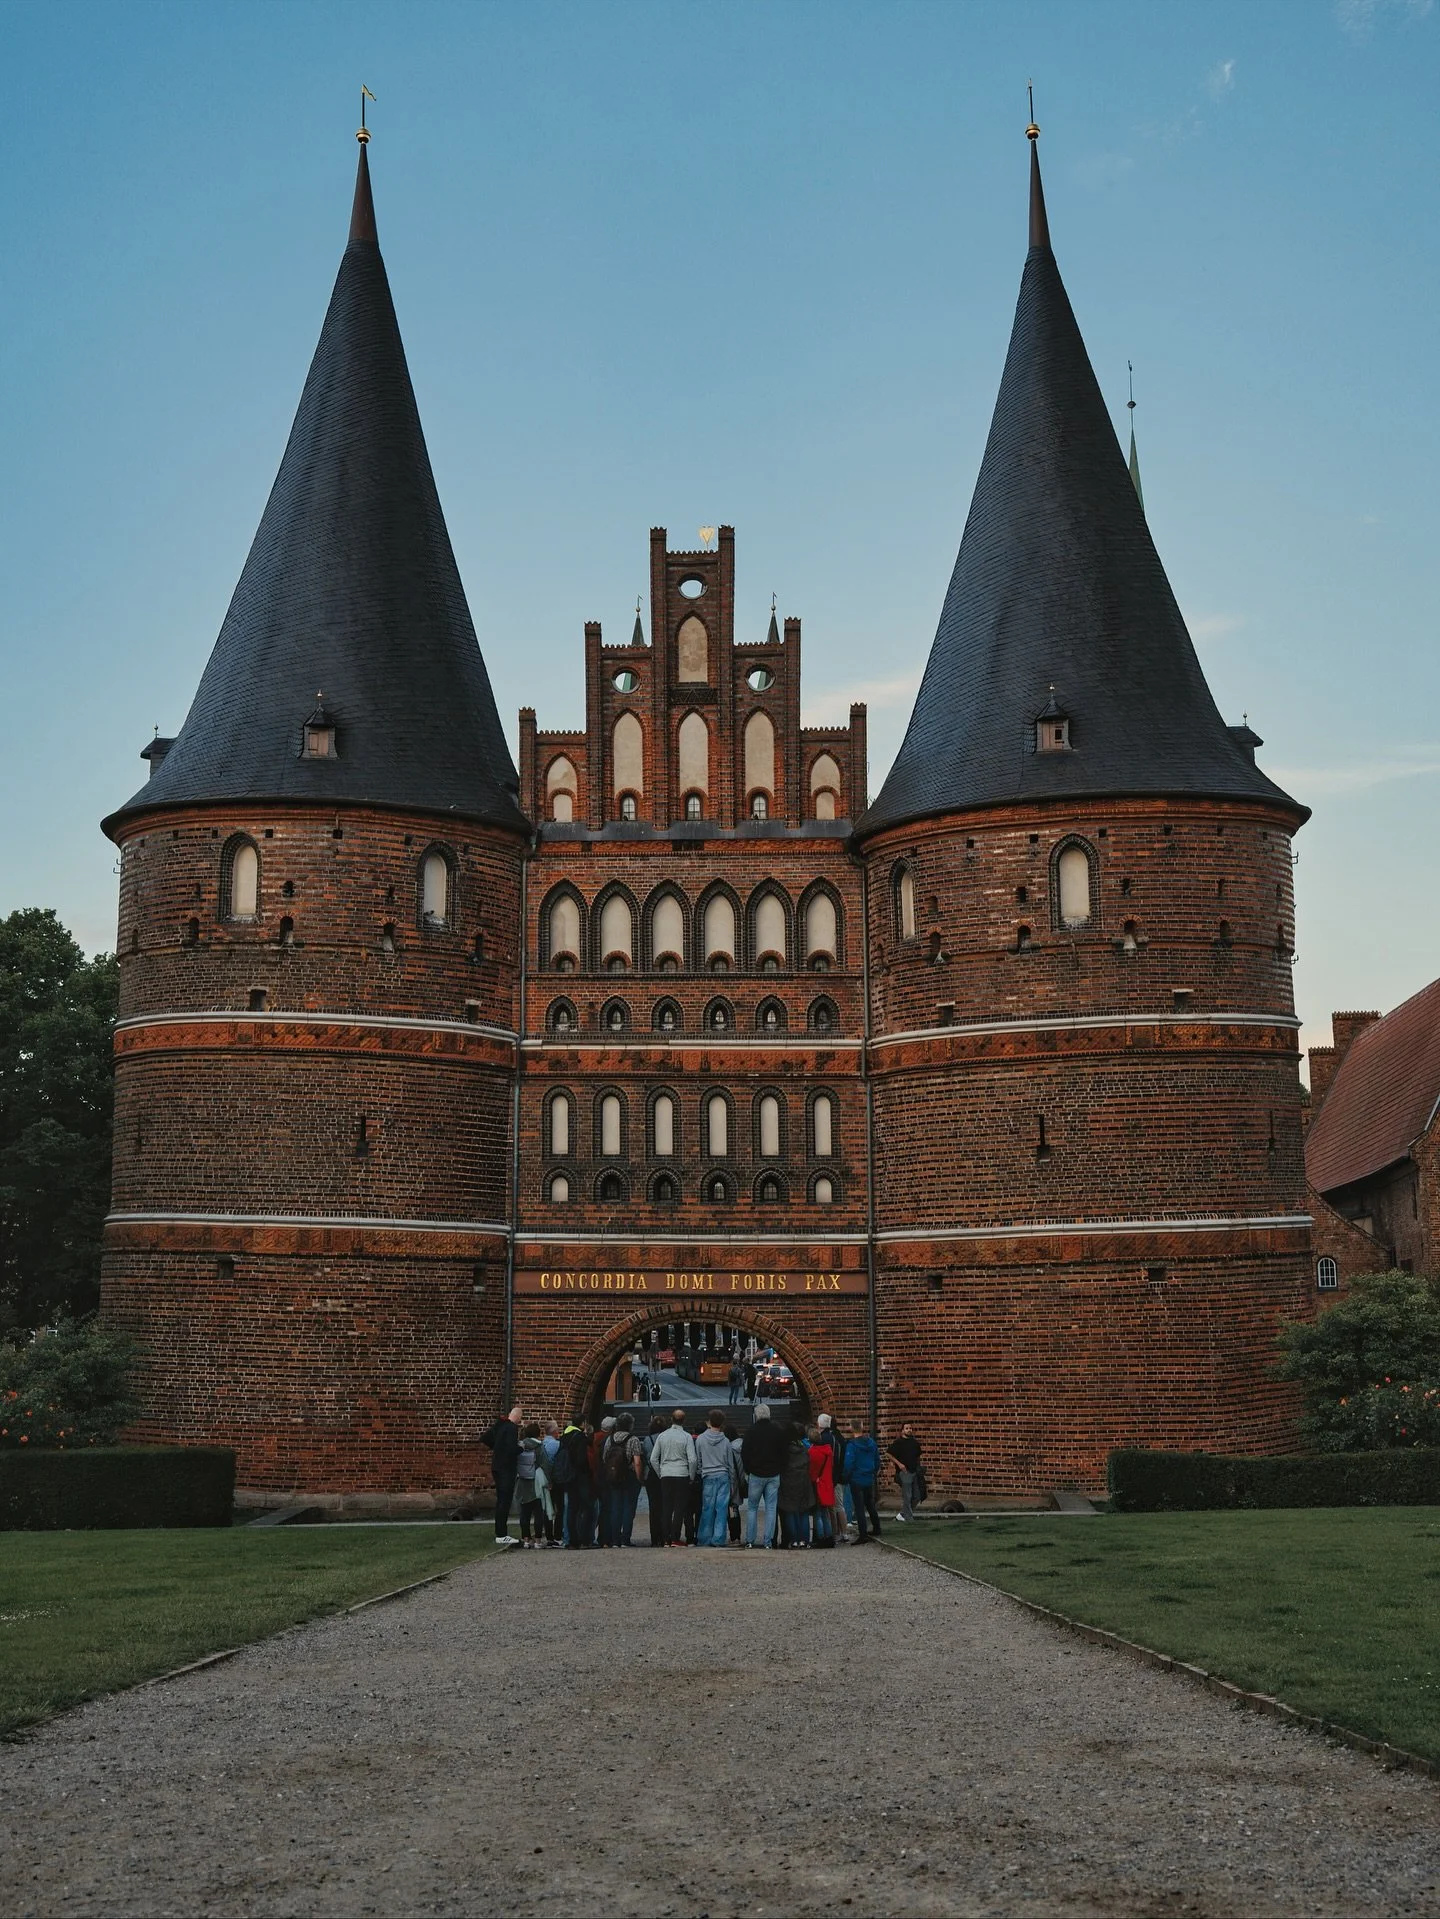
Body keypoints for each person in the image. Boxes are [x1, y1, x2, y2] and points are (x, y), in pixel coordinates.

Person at [648, 1406, 697, 1545]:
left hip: (666, 1474)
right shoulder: (686, 1436)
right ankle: (675, 1537)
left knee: (667, 1507)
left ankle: (665, 1538)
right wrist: (691, 1476)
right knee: (679, 1507)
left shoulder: (662, 1436)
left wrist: (660, 1472)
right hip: (681, 1473)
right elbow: (692, 1459)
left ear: (671, 1419)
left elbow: (653, 1458)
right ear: (684, 1420)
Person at [740, 1403, 788, 1546]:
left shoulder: (751, 1431)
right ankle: (768, 1541)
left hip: (756, 1473)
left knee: (752, 1508)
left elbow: (745, 1453)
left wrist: (748, 1469)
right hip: (773, 1473)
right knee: (771, 1508)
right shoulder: (778, 1431)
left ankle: (750, 1540)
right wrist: (780, 1468)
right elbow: (783, 1453)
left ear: (756, 1415)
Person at [480, 1404, 523, 1546]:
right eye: (520, 1419)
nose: (520, 1422)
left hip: (497, 1466)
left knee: (501, 1500)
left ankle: (500, 1532)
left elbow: (485, 1438)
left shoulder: (500, 1424)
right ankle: (501, 1534)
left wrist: (497, 1447)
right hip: (506, 1469)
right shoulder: (511, 1428)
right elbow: (512, 1448)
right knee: (505, 1500)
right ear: (516, 1417)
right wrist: (520, 1448)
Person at [602, 1413, 645, 1546]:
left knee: (615, 1507)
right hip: (629, 1476)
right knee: (628, 1508)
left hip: (614, 1477)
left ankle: (615, 1540)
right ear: (630, 1425)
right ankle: (625, 1539)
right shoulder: (633, 1440)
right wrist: (639, 1478)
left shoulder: (610, 1439)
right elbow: (637, 1461)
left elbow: (605, 1458)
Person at [695, 1409, 735, 1546]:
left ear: (709, 1421)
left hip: (708, 1475)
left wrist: (701, 1471)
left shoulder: (700, 1439)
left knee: (707, 1508)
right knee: (721, 1509)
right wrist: (732, 1481)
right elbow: (730, 1464)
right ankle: (718, 1538)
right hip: (723, 1475)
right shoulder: (726, 1441)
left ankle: (704, 1538)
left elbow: (698, 1460)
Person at [560, 1419, 596, 1548]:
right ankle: (584, 1539)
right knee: (586, 1507)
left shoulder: (564, 1437)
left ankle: (572, 1540)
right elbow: (581, 1459)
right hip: (580, 1477)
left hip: (569, 1476)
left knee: (571, 1508)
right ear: (582, 1424)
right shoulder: (580, 1437)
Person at [778, 1424, 815, 1547]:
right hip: (803, 1481)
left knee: (790, 1511)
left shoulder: (785, 1450)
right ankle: (804, 1539)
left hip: (788, 1481)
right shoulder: (804, 1448)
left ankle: (793, 1540)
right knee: (803, 1511)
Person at [844, 1428, 882, 1541]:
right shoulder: (871, 1443)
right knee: (870, 1504)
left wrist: (847, 1476)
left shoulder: (852, 1445)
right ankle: (877, 1527)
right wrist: (873, 1472)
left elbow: (848, 1463)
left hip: (856, 1478)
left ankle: (863, 1533)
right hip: (868, 1478)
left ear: (852, 1429)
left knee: (859, 1507)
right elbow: (877, 1460)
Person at [818, 1413, 850, 1543]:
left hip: (833, 1476)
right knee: (837, 1505)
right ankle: (841, 1532)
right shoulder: (838, 1438)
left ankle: (839, 1532)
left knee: (835, 1506)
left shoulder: (830, 1438)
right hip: (838, 1475)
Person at [888, 1423, 924, 1523]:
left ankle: (902, 1515)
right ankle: (909, 1518)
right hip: (904, 1472)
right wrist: (899, 1464)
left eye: (910, 1428)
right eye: (907, 1428)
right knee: (907, 1496)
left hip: (914, 1471)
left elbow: (918, 1457)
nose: (909, 1430)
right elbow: (888, 1453)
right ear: (902, 1430)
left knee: (917, 1496)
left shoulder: (915, 1443)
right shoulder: (898, 1442)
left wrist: (919, 1468)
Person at [807, 1422, 835, 1546]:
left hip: (817, 1484)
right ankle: (829, 1537)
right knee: (825, 1513)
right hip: (826, 1483)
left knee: (817, 1513)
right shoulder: (828, 1450)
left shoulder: (812, 1452)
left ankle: (820, 1537)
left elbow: (811, 1471)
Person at [516, 1422, 544, 1545]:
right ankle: (538, 1539)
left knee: (525, 1513)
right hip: (536, 1482)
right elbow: (544, 1464)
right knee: (538, 1512)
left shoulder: (519, 1446)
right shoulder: (538, 1447)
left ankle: (526, 1539)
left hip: (522, 1481)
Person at [643, 1412, 668, 1547]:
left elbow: (645, 1456)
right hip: (664, 1473)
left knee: (653, 1507)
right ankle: (665, 1535)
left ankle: (654, 1537)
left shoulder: (647, 1440)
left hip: (651, 1475)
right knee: (665, 1506)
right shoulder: (666, 1438)